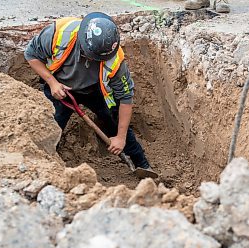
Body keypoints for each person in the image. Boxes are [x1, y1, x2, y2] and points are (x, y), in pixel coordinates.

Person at [24, 12, 157, 179]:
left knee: (114, 122)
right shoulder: (59, 34)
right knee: (52, 125)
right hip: (61, 88)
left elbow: (125, 98)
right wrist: (52, 83)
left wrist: (120, 138)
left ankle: (142, 164)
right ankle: (45, 165)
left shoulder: (115, 59)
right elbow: (31, 55)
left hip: (95, 90)